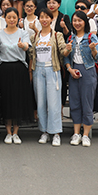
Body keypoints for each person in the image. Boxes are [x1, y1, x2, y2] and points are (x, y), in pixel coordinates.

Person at [31, 8, 68, 147]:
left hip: (52, 69)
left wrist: (68, 49)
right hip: (38, 69)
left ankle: (56, 133)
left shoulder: (57, 35)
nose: (44, 19)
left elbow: (63, 50)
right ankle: (44, 131)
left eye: (47, 17)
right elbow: (31, 54)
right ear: (39, 19)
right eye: (42, 17)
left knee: (54, 103)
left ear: (51, 19)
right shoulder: (35, 36)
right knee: (41, 103)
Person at [0, 7, 32, 144]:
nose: (11, 20)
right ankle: (8, 132)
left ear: (18, 19)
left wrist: (22, 45)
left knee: (17, 100)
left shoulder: (23, 33)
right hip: (4, 69)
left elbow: (27, 47)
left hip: (19, 69)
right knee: (6, 100)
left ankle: (16, 132)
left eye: (14, 17)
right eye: (9, 17)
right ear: (5, 18)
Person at [66, 10, 98, 147]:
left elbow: (97, 57)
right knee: (75, 103)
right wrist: (70, 69)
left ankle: (85, 135)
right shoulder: (71, 38)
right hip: (74, 71)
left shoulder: (91, 37)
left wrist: (93, 49)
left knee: (87, 103)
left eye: (80, 20)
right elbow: (66, 57)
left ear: (85, 22)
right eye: (75, 20)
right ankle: (76, 133)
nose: (77, 23)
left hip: (88, 71)